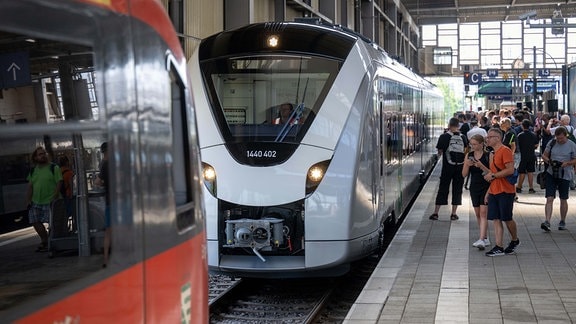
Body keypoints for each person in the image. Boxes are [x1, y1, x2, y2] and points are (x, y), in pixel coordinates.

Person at [483, 128, 520, 256]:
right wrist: (488, 192)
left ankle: (515, 240)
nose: (487, 139)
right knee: (496, 218)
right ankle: (499, 246)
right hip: (494, 190)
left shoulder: (506, 151)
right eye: (487, 137)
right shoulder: (492, 153)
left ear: (498, 138)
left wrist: (493, 176)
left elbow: (510, 170)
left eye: (490, 137)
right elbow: (492, 173)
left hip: (506, 190)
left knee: (507, 218)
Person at [429, 117, 467, 221]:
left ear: (449, 125)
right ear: (458, 126)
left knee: (443, 188)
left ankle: (436, 213)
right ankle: (454, 214)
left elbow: (440, 152)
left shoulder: (443, 136)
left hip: (447, 167)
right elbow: (465, 151)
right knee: (457, 189)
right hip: (460, 167)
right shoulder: (463, 137)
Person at [26, 147, 63, 252]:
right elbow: (30, 186)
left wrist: (55, 197)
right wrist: (28, 200)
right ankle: (44, 240)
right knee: (34, 220)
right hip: (36, 201)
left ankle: (53, 242)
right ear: (35, 157)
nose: (43, 155)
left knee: (53, 224)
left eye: (44, 153)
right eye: (40, 154)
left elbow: (59, 182)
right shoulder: (33, 171)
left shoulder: (53, 167)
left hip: (51, 200)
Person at [540, 127, 576, 232]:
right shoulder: (552, 143)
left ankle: (562, 220)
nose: (559, 140)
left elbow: (575, 159)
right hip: (552, 173)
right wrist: (550, 161)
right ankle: (547, 221)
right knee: (549, 198)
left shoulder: (572, 145)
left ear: (566, 136)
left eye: (561, 138)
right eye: (558, 138)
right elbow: (544, 155)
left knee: (563, 198)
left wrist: (567, 163)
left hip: (565, 174)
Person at [462, 134, 491, 250]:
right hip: (474, 187)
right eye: (471, 144)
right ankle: (484, 236)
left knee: (483, 213)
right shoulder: (469, 156)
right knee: (478, 214)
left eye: (475, 144)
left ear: (481, 144)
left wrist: (481, 166)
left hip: (486, 186)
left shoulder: (488, 155)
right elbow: (463, 174)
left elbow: (492, 173)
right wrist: (467, 165)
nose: (472, 147)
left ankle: (482, 239)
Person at [94, 142, 111, 267]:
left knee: (108, 232)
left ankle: (105, 259)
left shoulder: (105, 164)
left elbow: (97, 182)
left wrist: (105, 184)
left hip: (111, 202)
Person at [515, 119, 539, 194]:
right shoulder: (533, 135)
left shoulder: (520, 135)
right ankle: (531, 188)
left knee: (522, 172)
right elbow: (536, 145)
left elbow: (517, 146)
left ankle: (519, 186)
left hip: (523, 156)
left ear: (522, 126)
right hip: (531, 155)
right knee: (530, 171)